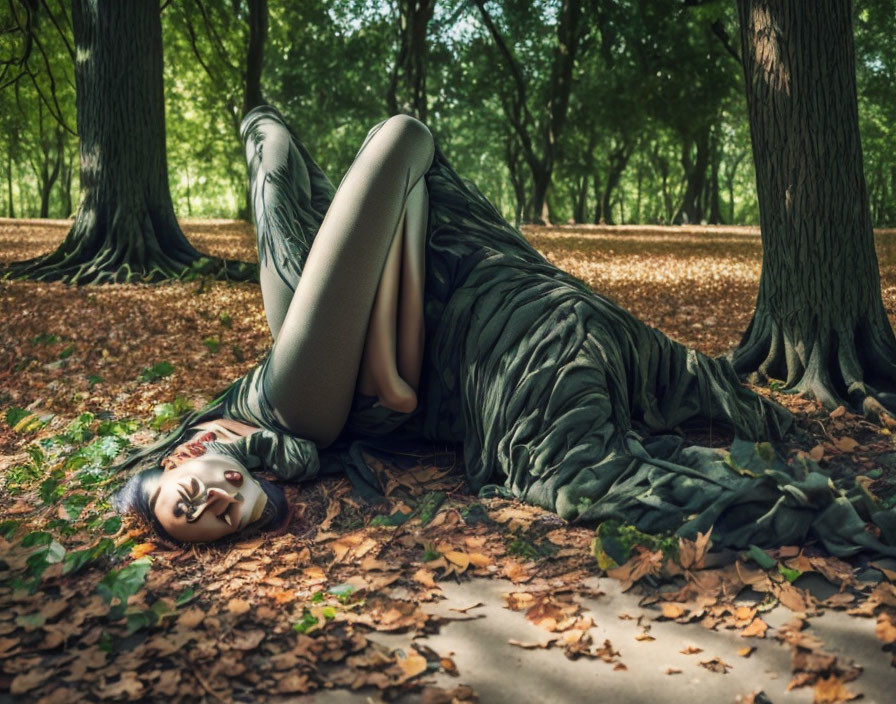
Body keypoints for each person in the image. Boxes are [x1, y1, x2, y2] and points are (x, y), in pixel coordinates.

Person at [114, 105, 896, 558]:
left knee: (350, 164)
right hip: (431, 354)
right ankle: (809, 478)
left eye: (191, 501)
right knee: (391, 152)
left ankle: (271, 132)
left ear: (179, 461)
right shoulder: (285, 437)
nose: (217, 499)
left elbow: (281, 430)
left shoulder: (257, 418)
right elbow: (306, 438)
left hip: (413, 352)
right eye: (235, 509)